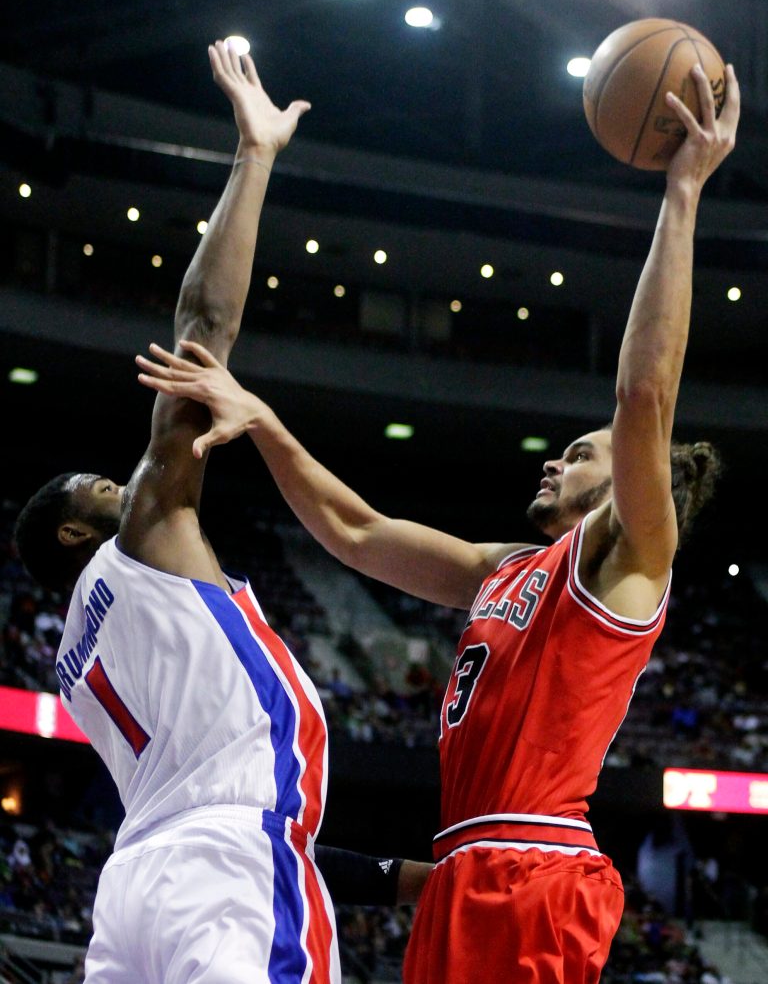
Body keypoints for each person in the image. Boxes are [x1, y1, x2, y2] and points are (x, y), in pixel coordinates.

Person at [133, 61, 740, 982]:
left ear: (624, 478)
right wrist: (257, 416)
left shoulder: (631, 557)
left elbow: (644, 393)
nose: (556, 458)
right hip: (466, 864)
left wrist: (683, 191)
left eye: (580, 453)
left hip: (534, 868)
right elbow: (360, 532)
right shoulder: (503, 566)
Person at [13, 42, 431, 984]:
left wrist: (410, 879)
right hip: (221, 867)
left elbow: (226, 820)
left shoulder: (81, 651)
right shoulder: (143, 544)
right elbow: (203, 330)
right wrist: (254, 158)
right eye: (98, 488)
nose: (118, 484)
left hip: (139, 885)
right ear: (79, 535)